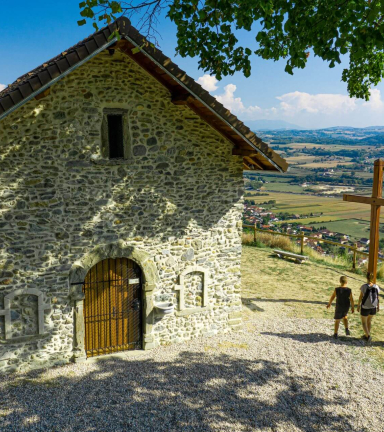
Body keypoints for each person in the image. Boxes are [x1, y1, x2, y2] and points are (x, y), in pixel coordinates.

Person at [357, 272, 380, 343]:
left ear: (366, 278)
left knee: (364, 322)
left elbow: (361, 297)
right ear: (373, 278)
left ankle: (368, 336)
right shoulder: (376, 286)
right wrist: (378, 306)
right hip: (373, 307)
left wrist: (358, 305)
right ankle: (367, 335)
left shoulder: (364, 286)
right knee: (369, 321)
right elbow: (377, 297)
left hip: (365, 307)